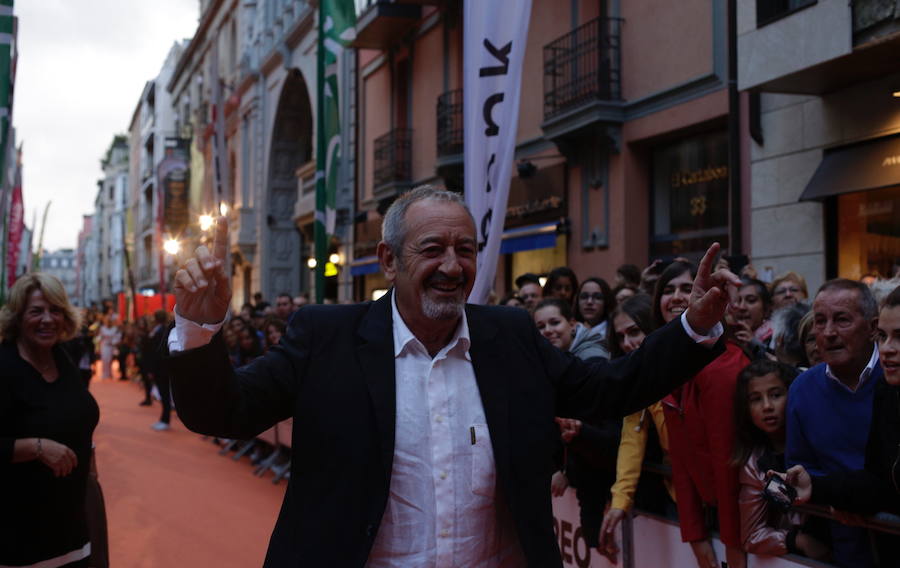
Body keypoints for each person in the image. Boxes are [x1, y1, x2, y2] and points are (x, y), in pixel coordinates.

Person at [165, 185, 739, 567]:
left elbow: (612, 390)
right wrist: (199, 325)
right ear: (389, 261)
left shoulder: (509, 337)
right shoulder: (325, 337)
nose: (451, 266)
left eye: (465, 249)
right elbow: (223, 411)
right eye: (432, 248)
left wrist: (694, 325)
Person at [783, 284, 900, 565]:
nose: (828, 332)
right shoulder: (889, 388)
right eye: (820, 321)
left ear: (868, 326)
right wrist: (821, 488)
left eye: (842, 319)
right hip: (848, 546)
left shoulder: (885, 383)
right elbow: (880, 482)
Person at [0, 274, 100, 567]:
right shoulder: (3, 367)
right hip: (18, 539)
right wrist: (35, 447)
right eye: (36, 311)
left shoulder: (61, 357)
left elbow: (76, 417)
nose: (48, 319)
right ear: (17, 318)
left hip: (72, 531)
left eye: (55, 310)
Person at [659, 261, 751, 568]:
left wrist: (732, 543)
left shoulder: (722, 365)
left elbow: (729, 460)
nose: (675, 297)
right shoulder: (667, 364)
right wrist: (694, 533)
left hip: (742, 523)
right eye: (667, 289)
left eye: (687, 289)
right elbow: (679, 458)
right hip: (712, 519)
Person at [532, 298, 619, 552]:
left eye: (554, 322)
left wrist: (566, 472)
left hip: (605, 484)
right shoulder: (551, 361)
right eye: (540, 326)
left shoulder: (592, 362)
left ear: (572, 324)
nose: (547, 330)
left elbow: (586, 429)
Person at [598, 294, 676, 562]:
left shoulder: (682, 367)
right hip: (679, 497)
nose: (628, 343)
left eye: (634, 332)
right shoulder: (638, 382)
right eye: (620, 337)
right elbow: (631, 441)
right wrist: (619, 502)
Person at [731, 360, 829, 560]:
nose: (767, 406)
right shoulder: (755, 463)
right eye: (756, 399)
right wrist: (798, 540)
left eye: (776, 395)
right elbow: (751, 535)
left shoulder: (819, 439)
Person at [143, 310, 172, 432]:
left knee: (164, 394)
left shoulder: (162, 331)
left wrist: (151, 369)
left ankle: (165, 420)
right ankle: (163, 419)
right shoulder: (158, 330)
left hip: (161, 368)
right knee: (163, 394)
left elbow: (156, 353)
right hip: (160, 367)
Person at [575, 277, 614, 342]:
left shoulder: (614, 333)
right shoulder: (571, 331)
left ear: (606, 301)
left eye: (597, 297)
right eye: (584, 297)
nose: (589, 302)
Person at [97, 315, 120, 380]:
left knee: (110, 360)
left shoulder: (114, 329)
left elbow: (117, 337)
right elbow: (99, 337)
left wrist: (113, 342)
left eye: (110, 321)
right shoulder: (102, 328)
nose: (108, 322)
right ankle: (104, 373)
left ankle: (110, 373)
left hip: (111, 346)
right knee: (104, 360)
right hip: (104, 346)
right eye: (107, 321)